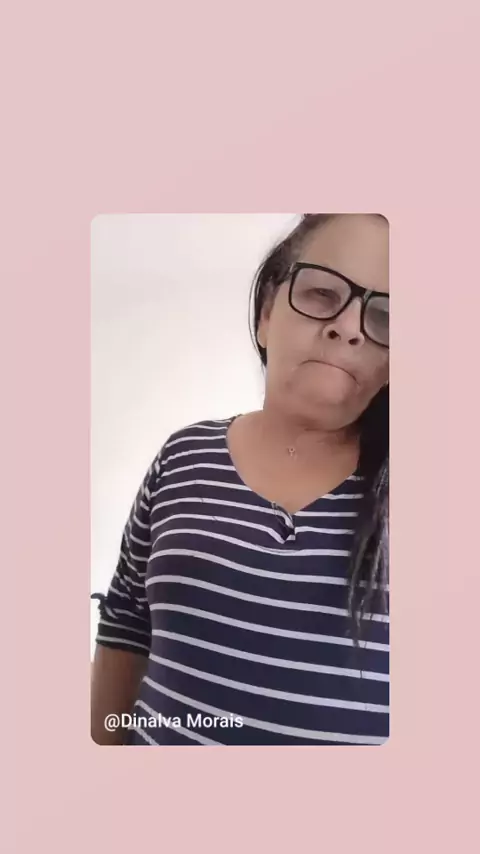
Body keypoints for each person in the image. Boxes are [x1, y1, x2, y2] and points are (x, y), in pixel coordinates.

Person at [91, 213, 389, 746]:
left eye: (386, 317)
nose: (349, 326)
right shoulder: (182, 455)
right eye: (322, 293)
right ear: (266, 314)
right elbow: (125, 625)